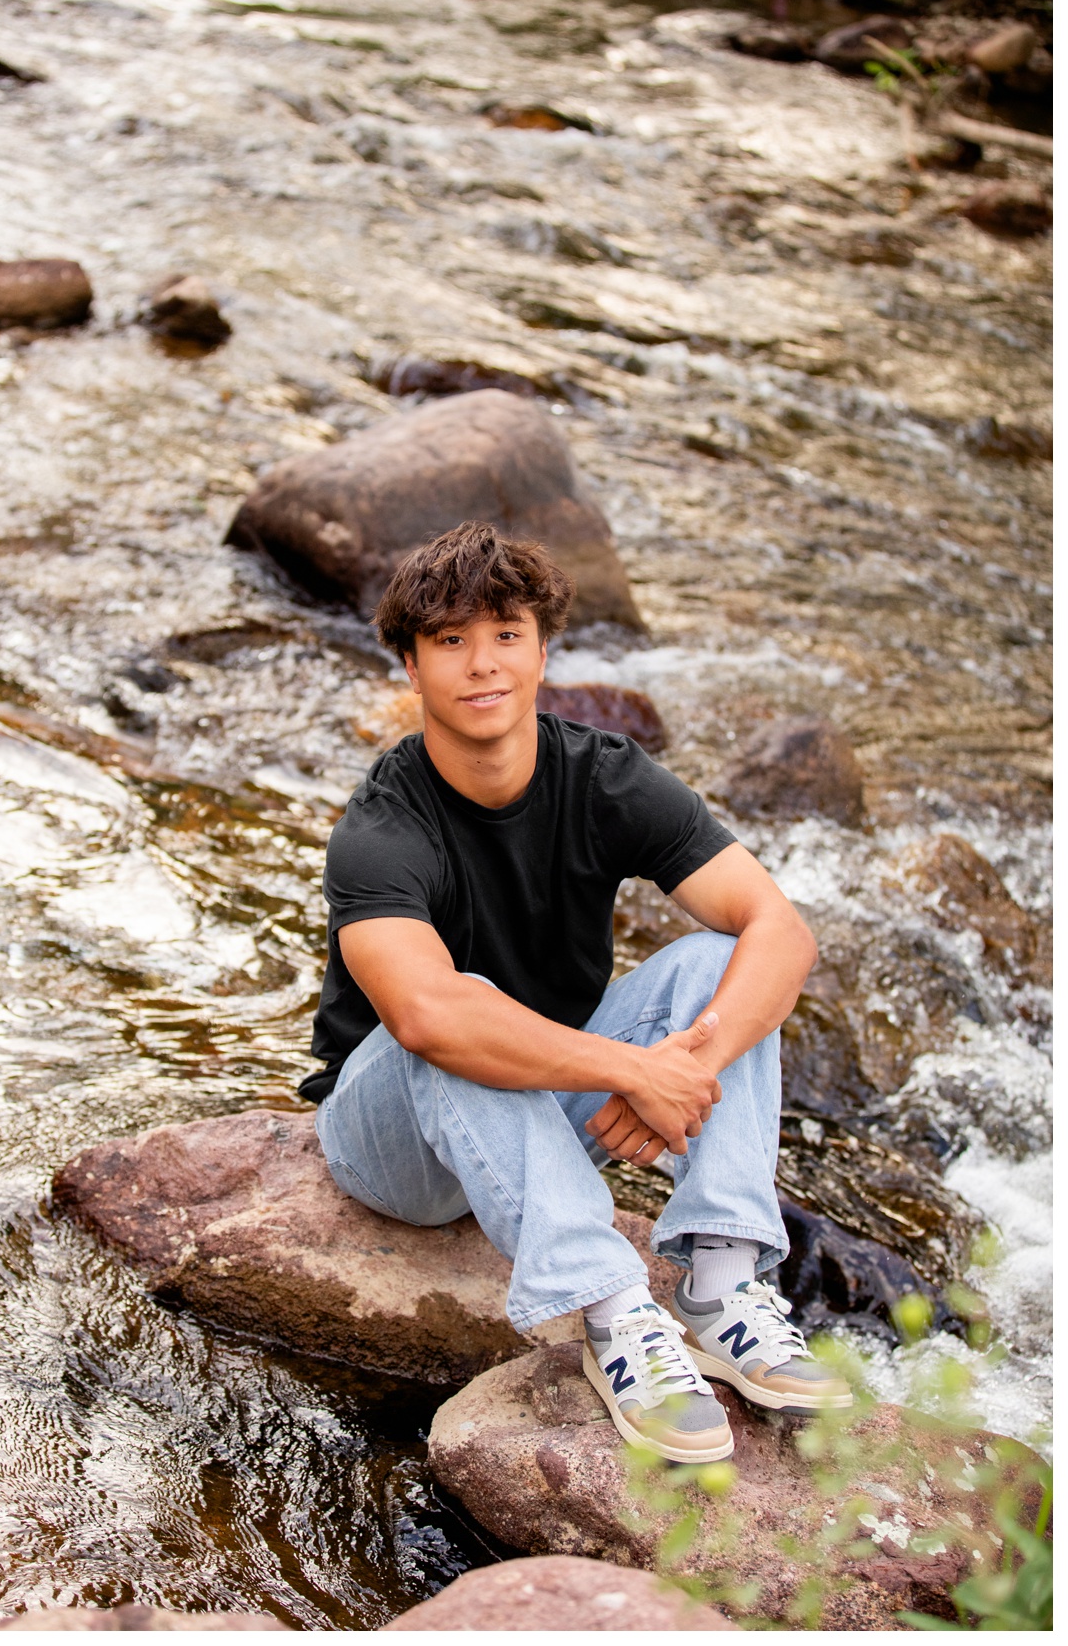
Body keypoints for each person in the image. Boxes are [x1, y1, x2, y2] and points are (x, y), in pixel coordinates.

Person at [306, 521, 846, 1466]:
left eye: (506, 634)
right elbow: (429, 1017)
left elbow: (780, 931)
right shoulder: (380, 828)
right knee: (455, 1011)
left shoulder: (604, 777)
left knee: (722, 962)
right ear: (411, 665)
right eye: (450, 641)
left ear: (544, 650)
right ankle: (610, 1310)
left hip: (547, 1105)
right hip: (394, 1145)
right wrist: (632, 1068)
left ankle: (719, 1282)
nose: (483, 665)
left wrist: (691, 1067)